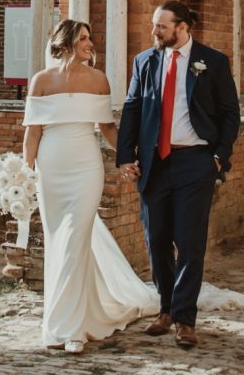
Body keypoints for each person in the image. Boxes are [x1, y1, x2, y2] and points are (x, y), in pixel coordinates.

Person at [22, 19, 158, 352]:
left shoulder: (98, 80)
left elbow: (107, 127)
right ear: (66, 41)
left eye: (90, 38)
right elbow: (33, 132)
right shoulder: (41, 81)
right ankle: (68, 315)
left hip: (85, 167)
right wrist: (26, 174)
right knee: (59, 242)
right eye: (83, 38)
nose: (90, 43)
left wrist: (127, 158)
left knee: (74, 239)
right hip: (51, 169)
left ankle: (70, 330)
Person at [115, 0, 242, 349]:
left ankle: (185, 320)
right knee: (156, 240)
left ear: (182, 27)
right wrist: (125, 157)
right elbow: (132, 108)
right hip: (154, 164)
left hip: (195, 162)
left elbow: (230, 114)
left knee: (189, 242)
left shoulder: (213, 62)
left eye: (161, 26)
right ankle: (166, 309)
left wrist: (218, 158)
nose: (154, 31)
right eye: (154, 25)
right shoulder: (144, 61)